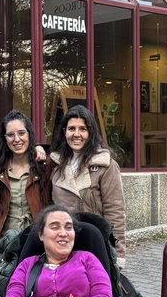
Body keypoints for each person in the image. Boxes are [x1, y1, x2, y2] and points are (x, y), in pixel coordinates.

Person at [48, 105, 126, 264]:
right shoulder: (55, 164)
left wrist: (118, 255)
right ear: (64, 132)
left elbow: (115, 212)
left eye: (82, 129)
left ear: (90, 132)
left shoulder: (106, 166)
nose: (76, 134)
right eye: (71, 129)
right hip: (62, 247)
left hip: (95, 246)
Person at [0, 110, 51, 242]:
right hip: (6, 241)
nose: (16, 139)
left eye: (21, 133)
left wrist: (39, 147)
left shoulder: (44, 166)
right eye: (10, 135)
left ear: (29, 134)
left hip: (37, 240)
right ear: (4, 138)